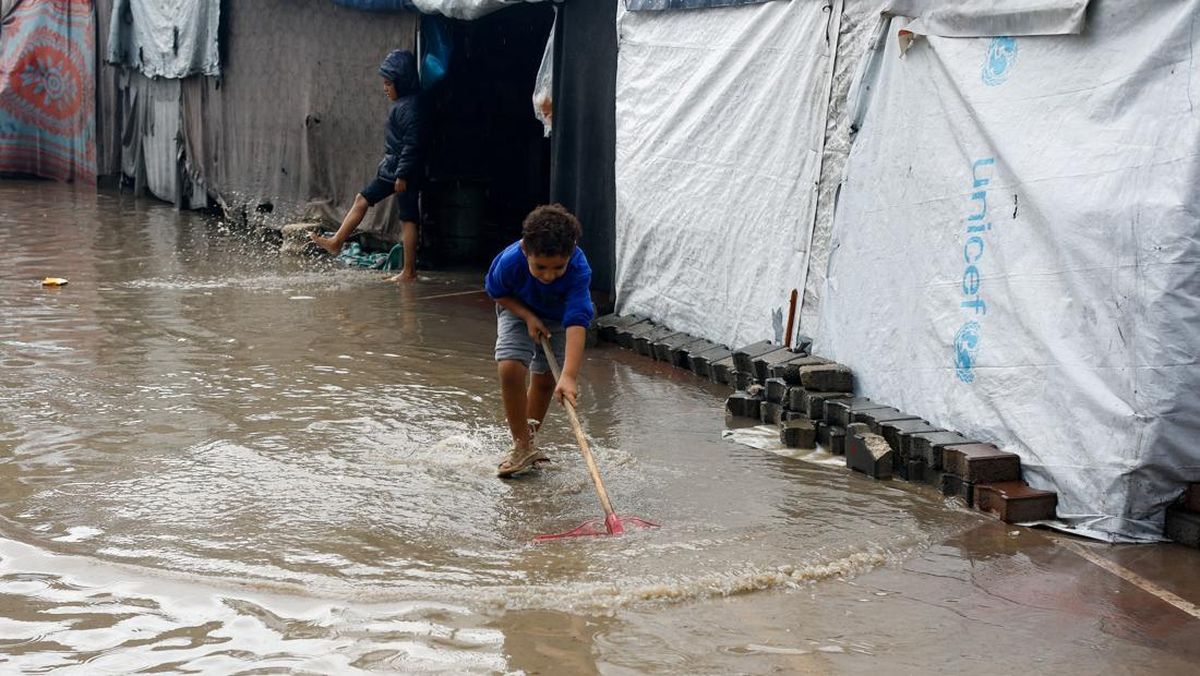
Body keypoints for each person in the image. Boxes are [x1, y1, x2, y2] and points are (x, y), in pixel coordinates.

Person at [485, 204, 594, 478]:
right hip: (517, 308)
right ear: (526, 251)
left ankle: (529, 442)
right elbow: (497, 292)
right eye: (540, 267)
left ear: (571, 253)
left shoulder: (579, 269)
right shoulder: (510, 261)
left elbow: (577, 320)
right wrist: (528, 316)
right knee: (510, 367)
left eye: (558, 267)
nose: (548, 275)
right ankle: (520, 445)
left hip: (558, 318)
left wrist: (568, 377)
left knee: (546, 380)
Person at [311, 49, 424, 282]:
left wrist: (402, 175)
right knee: (362, 199)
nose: (385, 88)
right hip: (392, 169)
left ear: (401, 83)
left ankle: (409, 272)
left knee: (408, 218)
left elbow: (412, 145)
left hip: (402, 172)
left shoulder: (411, 108)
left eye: (388, 84)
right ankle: (336, 241)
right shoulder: (403, 104)